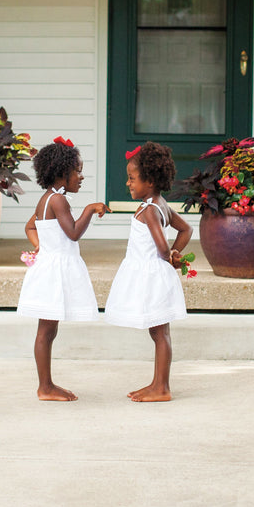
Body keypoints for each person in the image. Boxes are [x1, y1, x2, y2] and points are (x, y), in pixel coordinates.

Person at [17, 136, 111, 401]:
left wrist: (41, 246)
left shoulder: (46, 199)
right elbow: (72, 233)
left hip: (50, 267)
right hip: (53, 273)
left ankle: (46, 384)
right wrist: (90, 210)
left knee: (49, 329)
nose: (81, 177)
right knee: (46, 331)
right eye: (77, 171)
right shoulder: (58, 201)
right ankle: (45, 387)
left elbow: (31, 227)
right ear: (61, 173)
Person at [104, 142, 193, 402]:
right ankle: (157, 383)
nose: (128, 184)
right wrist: (174, 253)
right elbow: (186, 229)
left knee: (160, 333)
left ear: (150, 180)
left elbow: (162, 246)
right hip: (155, 273)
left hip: (151, 276)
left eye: (132, 179)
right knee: (158, 332)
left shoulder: (150, 210)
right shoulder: (159, 203)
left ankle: (162, 388)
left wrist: (171, 254)